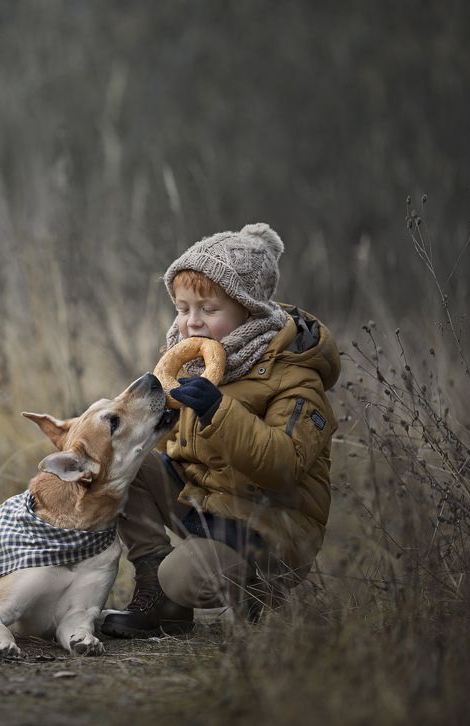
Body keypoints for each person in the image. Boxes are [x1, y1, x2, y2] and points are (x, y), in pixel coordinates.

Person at [101, 223, 340, 638]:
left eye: (208, 310)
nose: (191, 323)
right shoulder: (197, 363)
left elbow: (283, 465)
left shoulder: (296, 379)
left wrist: (218, 410)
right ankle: (157, 598)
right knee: (127, 467)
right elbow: (180, 452)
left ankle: (259, 594)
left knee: (182, 575)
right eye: (182, 307)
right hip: (209, 507)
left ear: (249, 310)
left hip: (270, 530)